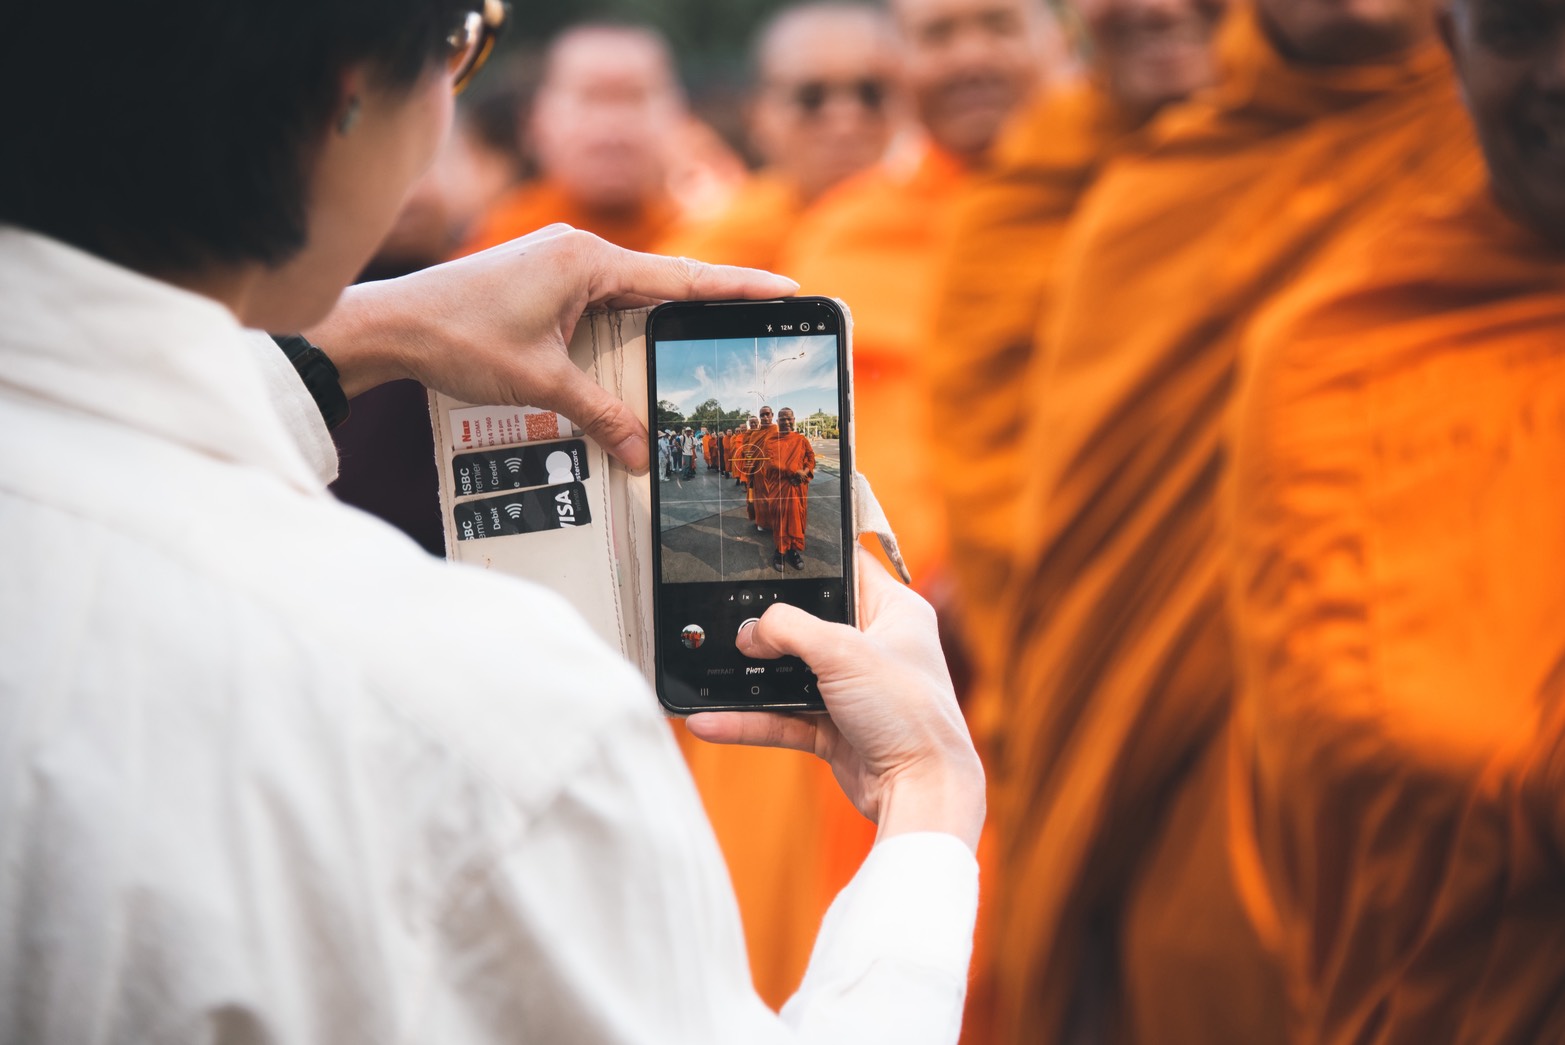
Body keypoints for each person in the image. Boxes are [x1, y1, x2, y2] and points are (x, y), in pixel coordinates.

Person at [0, 4, 989, 1042]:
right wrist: (925, 805)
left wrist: (362, 330)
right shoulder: (495, 716)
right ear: (346, 93)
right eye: (462, 41)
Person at [988, 1, 1478, 1042]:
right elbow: (1074, 581)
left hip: (1465, 806)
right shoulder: (1149, 202)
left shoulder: (1510, 155)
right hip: (1179, 812)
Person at [1221, 1, 1565, 1038]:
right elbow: (1347, 760)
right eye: (1517, 26)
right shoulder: (1343, 347)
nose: (1559, 72)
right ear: (1448, 48)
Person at [922, 0, 1229, 685]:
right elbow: (987, 475)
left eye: (995, 27)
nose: (1158, 7)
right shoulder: (1019, 199)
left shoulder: (1374, 153)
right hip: (1086, 656)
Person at [780, 0, 1068, 591]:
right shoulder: (845, 235)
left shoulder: (1121, 201)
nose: (970, 56)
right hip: (888, 618)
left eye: (999, 25)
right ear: (899, 66)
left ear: (1057, 40)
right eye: (938, 35)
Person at [655, 2, 906, 270]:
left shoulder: (938, 219)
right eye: (811, 98)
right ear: (759, 116)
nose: (845, 123)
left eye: (870, 94)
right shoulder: (721, 244)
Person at [458, 22, 685, 254]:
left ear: (679, 114)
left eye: (634, 97)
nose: (613, 125)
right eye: (591, 97)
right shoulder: (499, 247)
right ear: (537, 118)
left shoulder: (704, 237)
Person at [766, 408, 817, 572]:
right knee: (781, 520)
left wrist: (806, 471)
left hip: (798, 487)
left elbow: (811, 458)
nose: (786, 422)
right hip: (780, 486)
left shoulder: (801, 440)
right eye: (782, 419)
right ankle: (780, 552)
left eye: (789, 419)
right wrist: (794, 472)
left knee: (796, 520)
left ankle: (793, 550)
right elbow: (773, 463)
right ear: (777, 421)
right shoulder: (771, 440)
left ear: (794, 420)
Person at [748, 406, 780, 530]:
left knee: (773, 498)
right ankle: (761, 522)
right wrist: (750, 469)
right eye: (762, 415)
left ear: (772, 415)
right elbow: (751, 451)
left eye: (767, 414)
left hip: (773, 471)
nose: (765, 417)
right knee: (760, 499)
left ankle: (773, 523)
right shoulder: (756, 433)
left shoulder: (777, 430)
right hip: (759, 472)